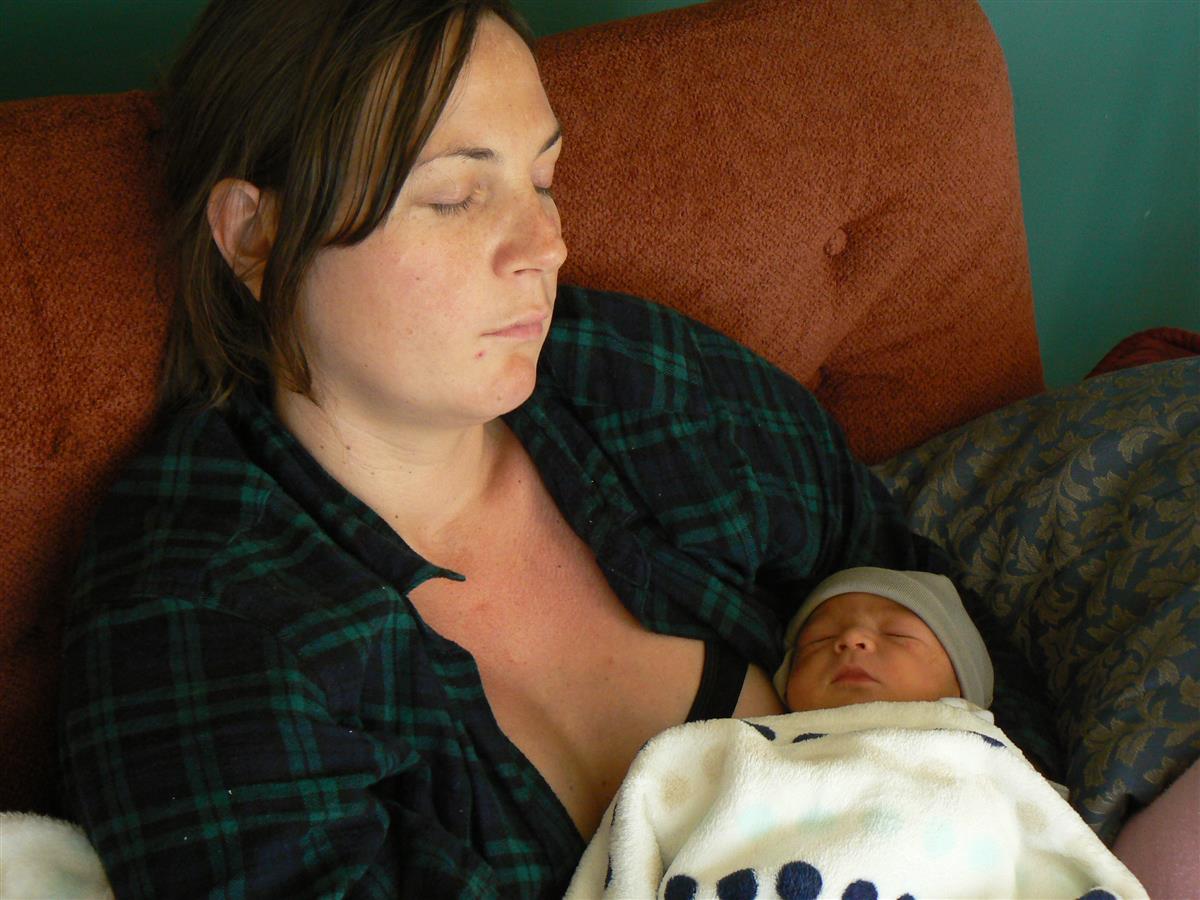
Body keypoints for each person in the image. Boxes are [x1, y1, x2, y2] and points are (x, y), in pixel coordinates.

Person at [56, 1, 1046, 896]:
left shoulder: (638, 382)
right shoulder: (192, 619)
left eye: (543, 178)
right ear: (255, 235)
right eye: (456, 196)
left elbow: (953, 631)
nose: (545, 245)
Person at [566, 568, 1147, 899]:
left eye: (897, 634)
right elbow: (628, 846)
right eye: (820, 640)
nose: (852, 640)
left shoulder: (985, 757)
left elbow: (1066, 859)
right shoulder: (723, 748)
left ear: (965, 684)